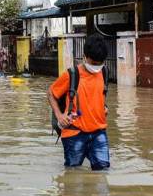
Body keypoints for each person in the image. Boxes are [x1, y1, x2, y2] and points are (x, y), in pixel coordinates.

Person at [47, 34, 110, 170]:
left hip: (99, 131)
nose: (97, 67)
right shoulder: (71, 74)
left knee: (103, 172)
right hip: (74, 133)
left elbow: (100, 94)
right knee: (73, 174)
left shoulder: (104, 72)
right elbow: (51, 93)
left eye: (100, 63)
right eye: (94, 63)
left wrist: (104, 107)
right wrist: (59, 116)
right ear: (85, 57)